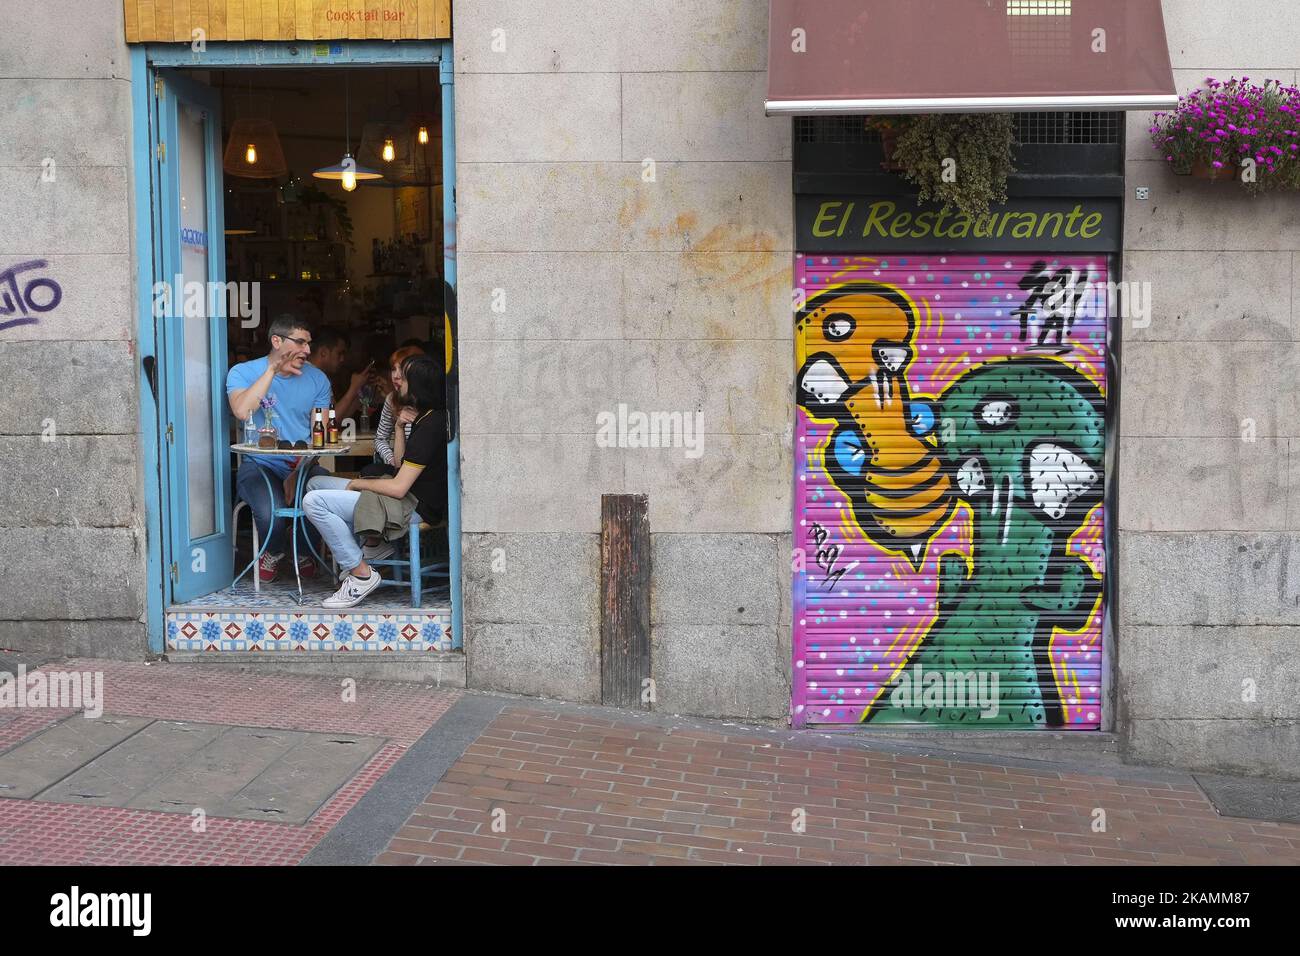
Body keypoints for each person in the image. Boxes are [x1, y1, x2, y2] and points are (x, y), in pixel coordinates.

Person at [302, 355, 448, 609]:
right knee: (315, 484)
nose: (398, 379)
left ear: (418, 384)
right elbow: (400, 466)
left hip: (411, 506)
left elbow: (399, 486)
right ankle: (373, 545)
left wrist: (359, 484)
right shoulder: (421, 416)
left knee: (313, 501)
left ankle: (361, 573)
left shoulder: (431, 426)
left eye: (405, 375)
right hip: (401, 497)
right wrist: (400, 428)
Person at [226, 314, 332, 583]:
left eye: (309, 343)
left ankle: (306, 552)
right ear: (276, 341)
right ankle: (273, 551)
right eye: (300, 342)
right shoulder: (242, 372)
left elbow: (319, 434)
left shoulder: (318, 379)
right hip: (258, 465)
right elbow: (241, 410)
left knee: (323, 499)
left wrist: (299, 470)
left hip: (302, 463)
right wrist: (271, 371)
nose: (308, 350)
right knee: (269, 511)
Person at [366, 344, 427, 478]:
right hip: (399, 469)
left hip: (423, 471)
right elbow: (381, 438)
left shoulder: (430, 402)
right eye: (393, 369)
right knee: (369, 471)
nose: (396, 376)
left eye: (402, 370)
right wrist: (392, 459)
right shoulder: (392, 399)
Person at [310, 326, 373, 422]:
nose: (342, 359)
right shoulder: (313, 377)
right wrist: (353, 388)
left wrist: (359, 392)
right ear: (323, 352)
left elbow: (338, 417)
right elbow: (330, 421)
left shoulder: (319, 376)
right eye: (339, 353)